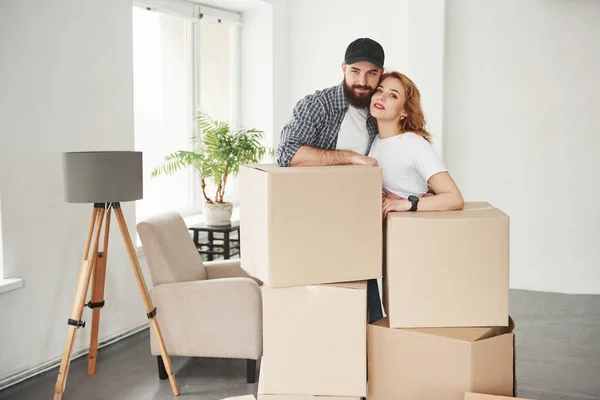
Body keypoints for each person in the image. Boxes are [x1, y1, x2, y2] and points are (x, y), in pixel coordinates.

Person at [277, 37, 386, 323]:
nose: (363, 81)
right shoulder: (318, 106)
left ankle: (372, 363)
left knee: (369, 312)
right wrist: (349, 157)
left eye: (371, 73)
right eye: (355, 71)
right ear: (343, 68)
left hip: (361, 225)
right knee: (322, 313)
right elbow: (288, 154)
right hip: (315, 225)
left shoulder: (379, 114)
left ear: (380, 75)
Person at [367, 71, 464, 214]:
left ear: (405, 111)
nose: (381, 97)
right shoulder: (373, 140)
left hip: (411, 229)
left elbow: (455, 198)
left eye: (393, 95)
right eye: (379, 90)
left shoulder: (414, 144)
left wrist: (406, 204)